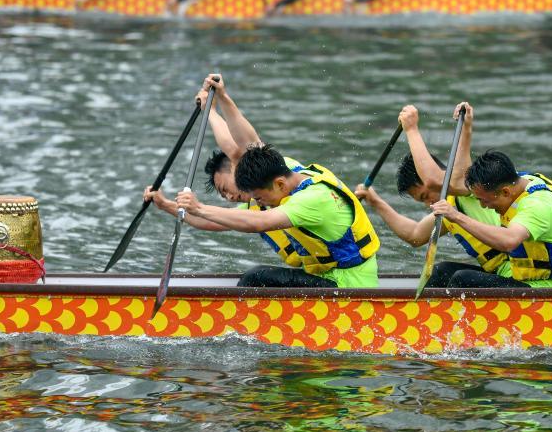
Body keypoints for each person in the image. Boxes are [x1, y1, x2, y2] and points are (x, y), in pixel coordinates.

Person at [144, 75, 307, 268]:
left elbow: (237, 147)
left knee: (256, 276)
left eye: (225, 188)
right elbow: (206, 220)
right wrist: (165, 204)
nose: (229, 197)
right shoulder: (258, 201)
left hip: (341, 275)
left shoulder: (274, 169)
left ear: (235, 165)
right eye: (224, 195)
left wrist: (214, 105)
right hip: (315, 269)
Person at [176, 143, 380, 288]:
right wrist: (219, 99)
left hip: (348, 286)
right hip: (331, 276)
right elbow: (243, 144)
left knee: (255, 278)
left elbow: (259, 223)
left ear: (280, 184)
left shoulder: (311, 200)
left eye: (259, 198)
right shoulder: (287, 170)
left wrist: (200, 207)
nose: (259, 203)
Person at [431, 103, 552, 288]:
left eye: (484, 200)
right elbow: (459, 183)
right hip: (525, 279)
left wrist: (456, 216)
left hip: (551, 289)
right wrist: (467, 127)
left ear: (505, 192)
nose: (483, 206)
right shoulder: (517, 181)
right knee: (442, 271)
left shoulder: (537, 206)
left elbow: (508, 241)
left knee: (463, 280)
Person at [354, 105, 502, 288]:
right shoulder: (449, 207)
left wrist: (411, 129)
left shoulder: (471, 186)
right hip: (500, 273)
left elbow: (432, 180)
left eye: (425, 195)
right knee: (441, 271)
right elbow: (415, 235)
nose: (428, 203)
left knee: (461, 278)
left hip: (518, 275)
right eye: (422, 201)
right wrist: (376, 202)